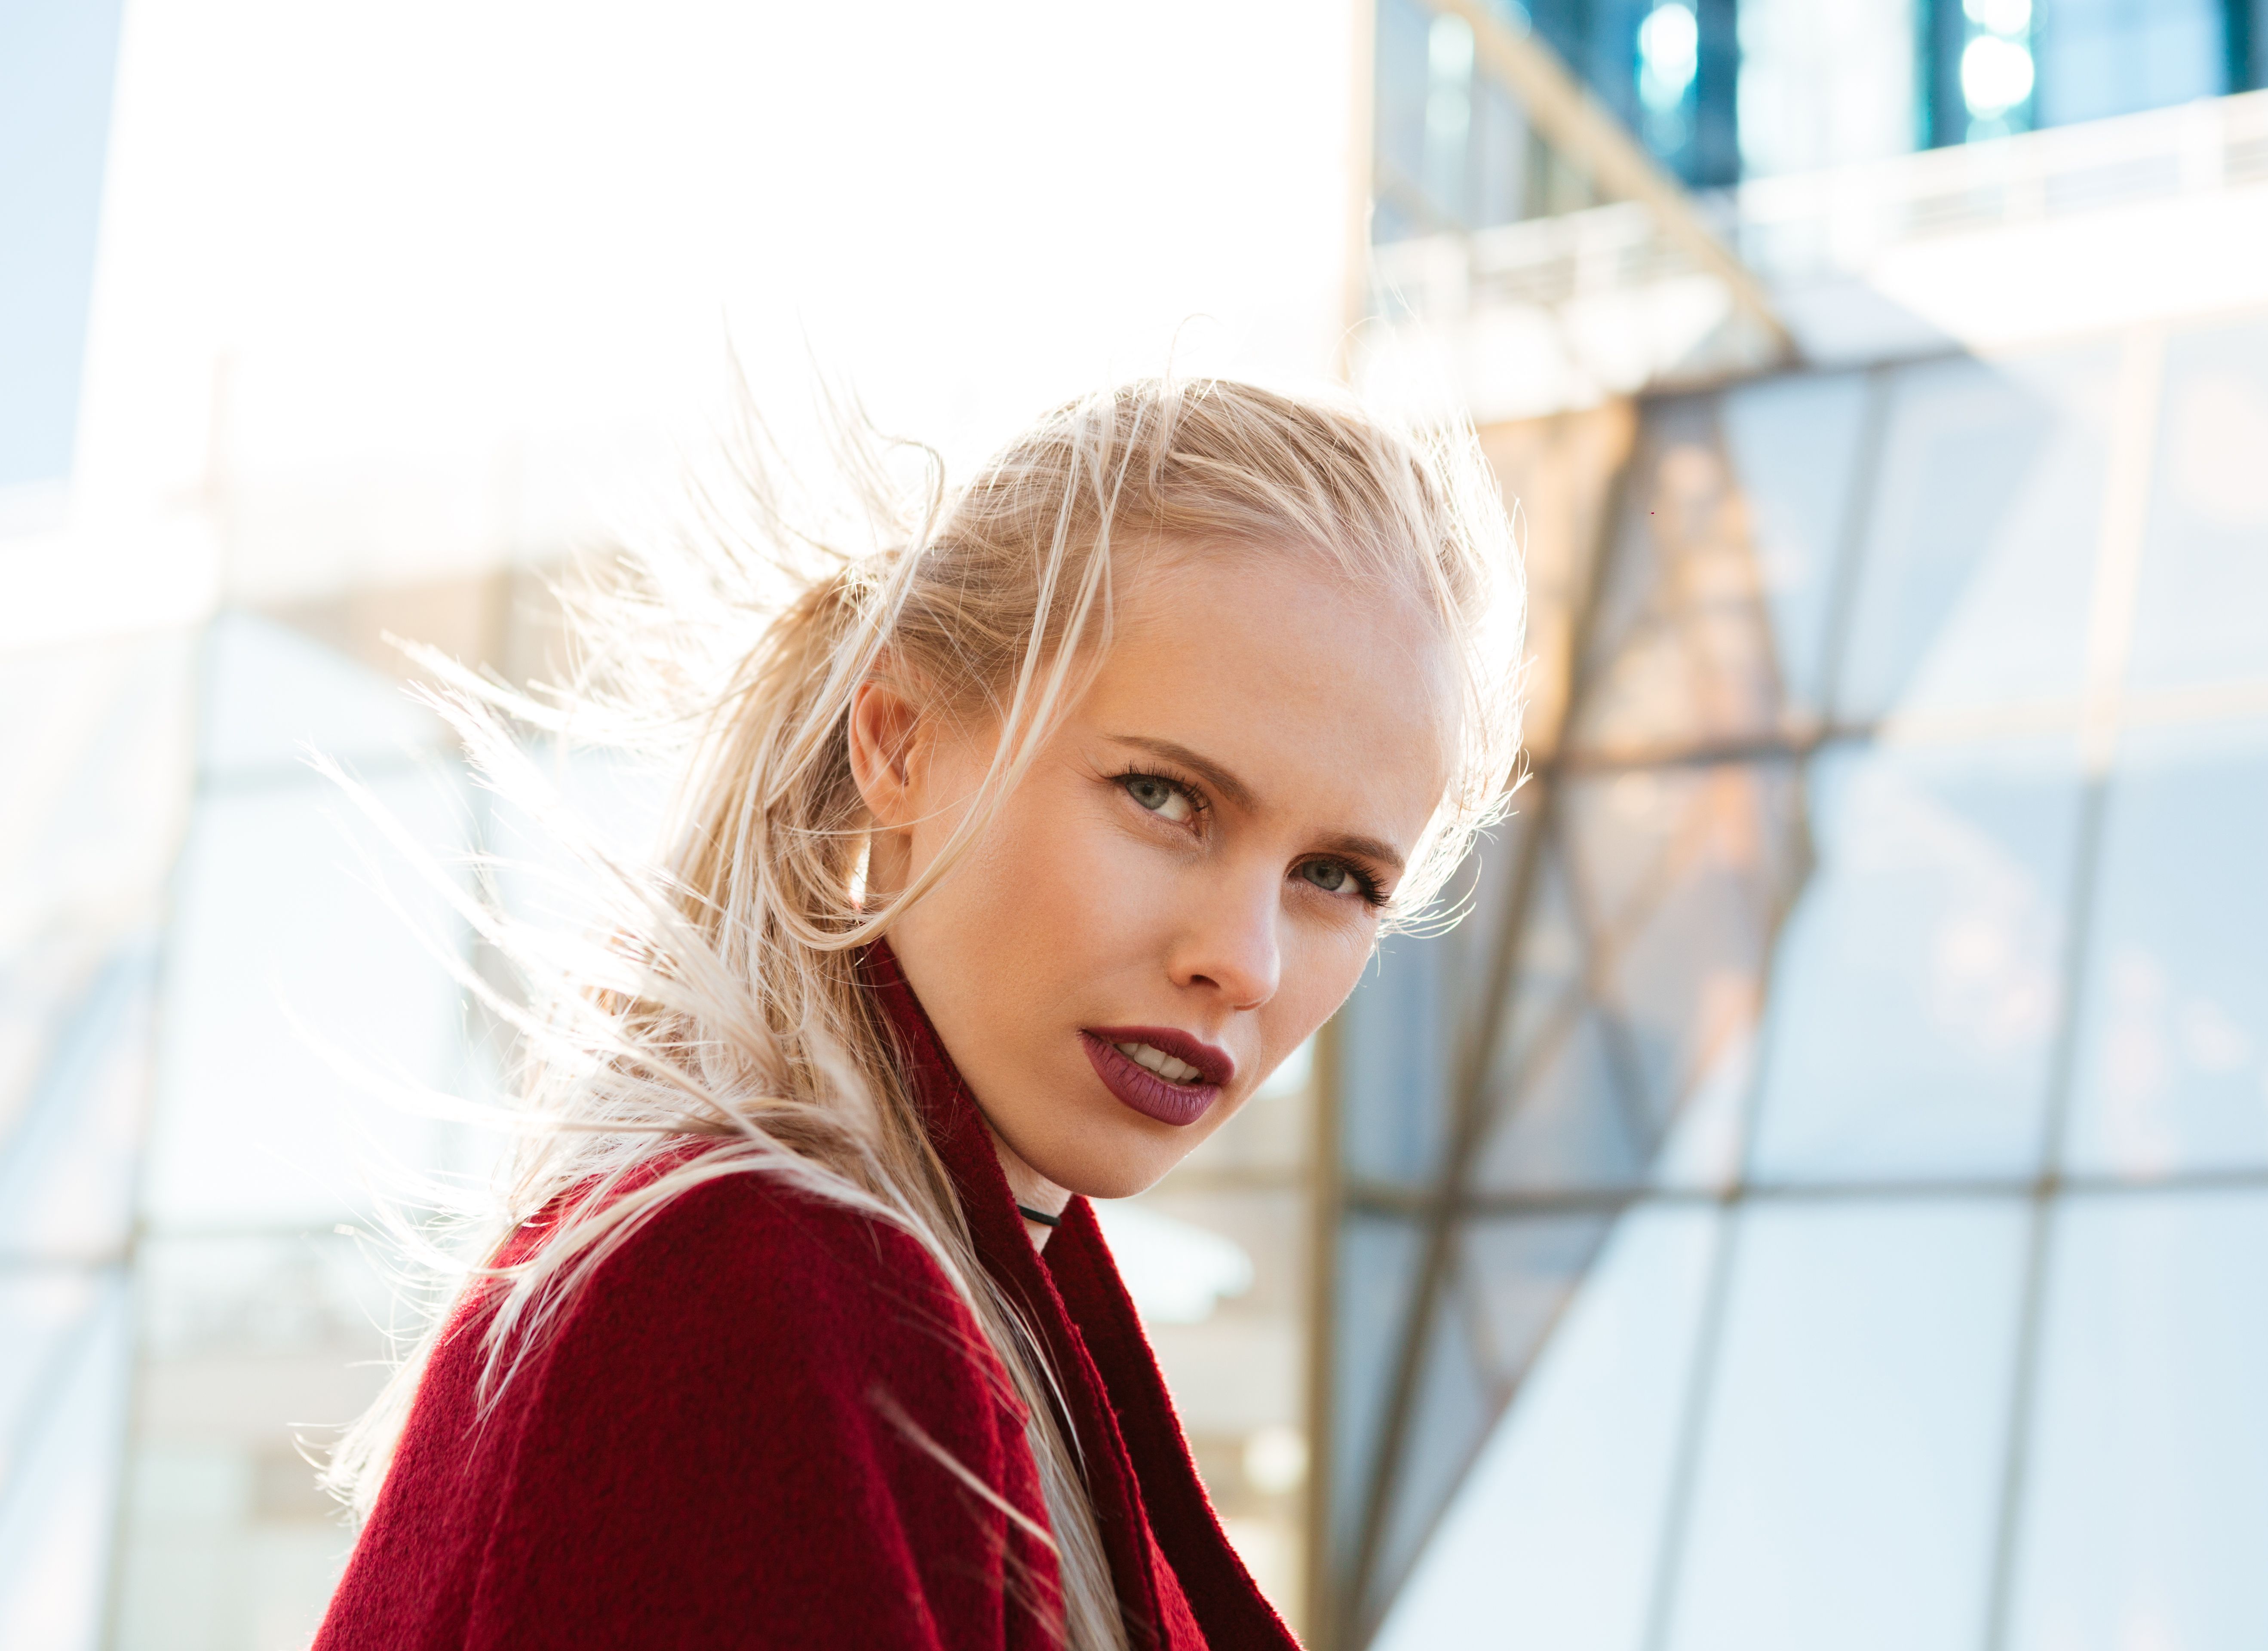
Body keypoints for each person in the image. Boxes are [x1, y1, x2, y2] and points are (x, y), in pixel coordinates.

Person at [310, 377, 1525, 1650]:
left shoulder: (908, 1301)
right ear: (898, 744)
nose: (1245, 962)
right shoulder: (760, 1295)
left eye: (1337, 878)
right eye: (1164, 797)